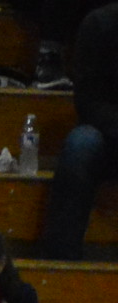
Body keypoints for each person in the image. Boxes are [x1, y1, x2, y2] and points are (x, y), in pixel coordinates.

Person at [39, 1, 118, 260]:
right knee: (81, 144)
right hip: (110, 136)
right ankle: (61, 258)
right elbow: (88, 102)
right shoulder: (100, 24)